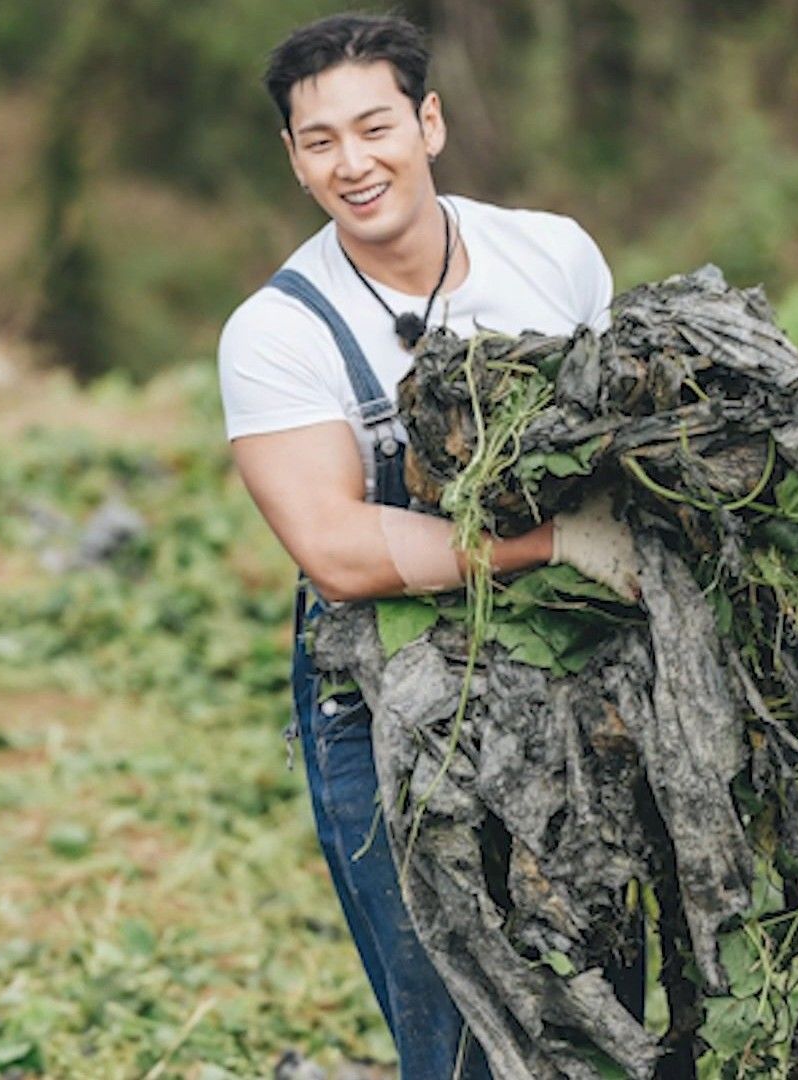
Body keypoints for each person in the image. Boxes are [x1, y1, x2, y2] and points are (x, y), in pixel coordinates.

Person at [217, 13, 637, 1078]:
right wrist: (551, 543)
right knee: (459, 1041)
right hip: (387, 708)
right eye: (321, 142)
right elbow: (339, 549)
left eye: (376, 128)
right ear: (294, 159)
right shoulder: (279, 331)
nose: (353, 164)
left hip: (576, 684)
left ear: (429, 123)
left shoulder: (552, 254)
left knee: (609, 1016)